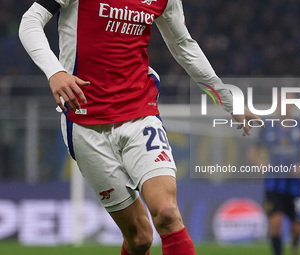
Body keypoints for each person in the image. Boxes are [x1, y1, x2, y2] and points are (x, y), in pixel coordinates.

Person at [19, 0, 260, 254]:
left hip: (140, 114)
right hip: (84, 122)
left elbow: (183, 46)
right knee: (139, 237)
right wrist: (55, 72)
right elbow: (30, 21)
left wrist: (228, 100)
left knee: (167, 213)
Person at [248, 93, 300, 255]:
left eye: (288, 103)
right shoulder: (268, 126)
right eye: (281, 102)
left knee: (298, 226)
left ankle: (295, 250)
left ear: (292, 105)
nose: (284, 106)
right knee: (275, 221)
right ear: (277, 104)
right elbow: (253, 150)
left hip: (297, 185)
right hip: (274, 184)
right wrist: (260, 163)